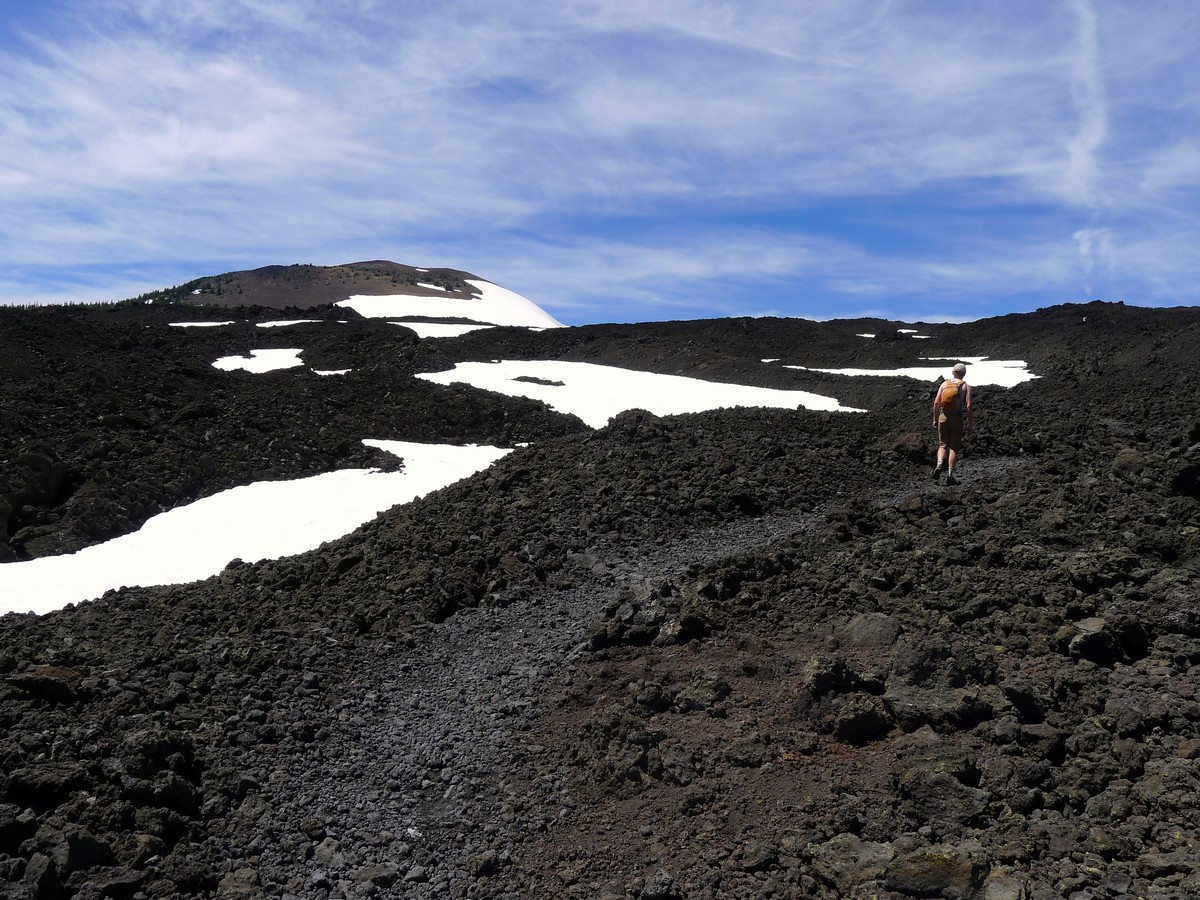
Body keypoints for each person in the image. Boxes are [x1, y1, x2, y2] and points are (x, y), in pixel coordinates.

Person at [931, 362, 973, 485]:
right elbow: (969, 406)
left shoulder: (944, 384)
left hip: (943, 417)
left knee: (942, 445)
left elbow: (936, 403)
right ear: (964, 373)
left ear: (953, 372)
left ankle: (939, 464)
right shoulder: (966, 386)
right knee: (954, 447)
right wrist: (970, 424)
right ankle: (950, 475)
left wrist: (935, 419)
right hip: (956, 418)